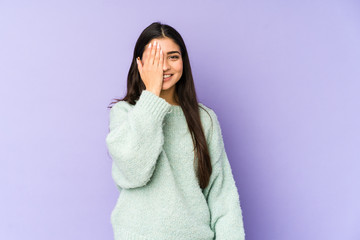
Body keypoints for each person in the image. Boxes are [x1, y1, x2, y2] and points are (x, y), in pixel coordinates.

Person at [106, 21, 246, 240]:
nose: (164, 66)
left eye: (173, 57)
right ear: (140, 64)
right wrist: (152, 94)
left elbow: (222, 194)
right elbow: (134, 172)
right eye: (155, 59)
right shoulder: (124, 113)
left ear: (184, 61)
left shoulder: (205, 119)